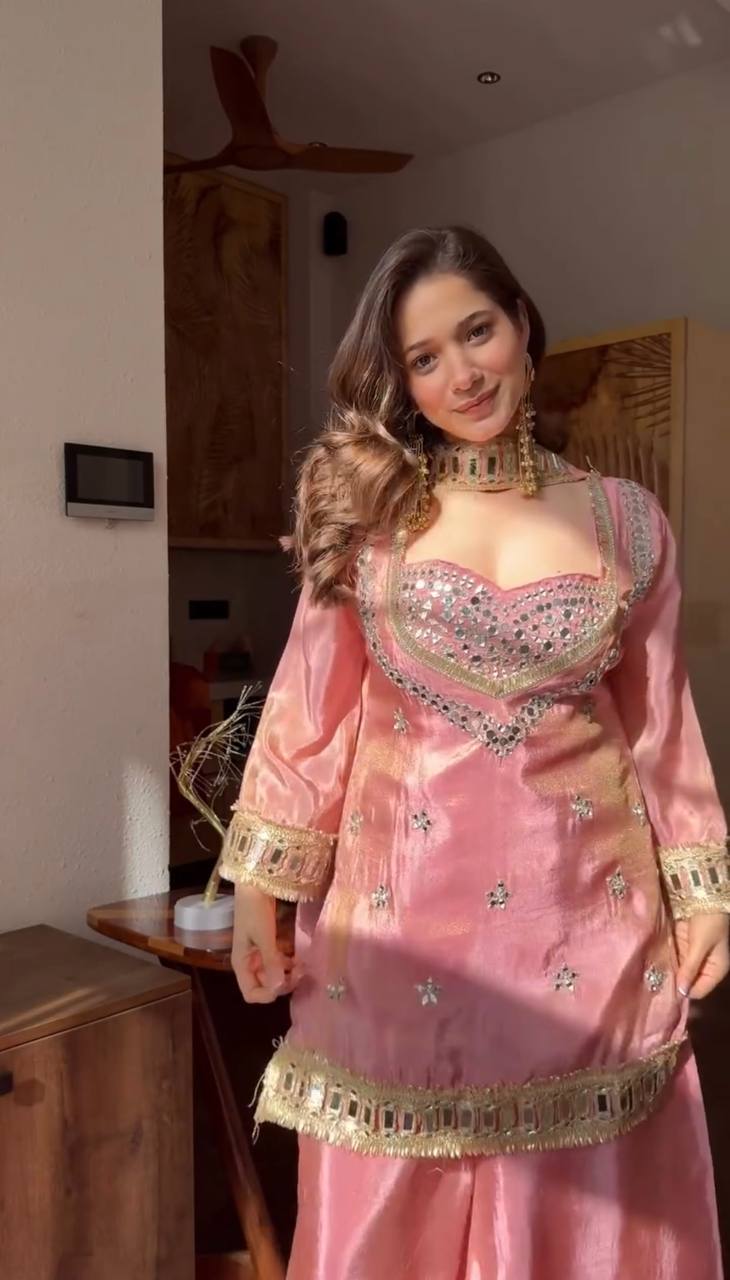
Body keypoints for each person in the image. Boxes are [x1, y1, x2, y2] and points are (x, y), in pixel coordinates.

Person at [220, 226, 730, 1279]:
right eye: (425, 357)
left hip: (588, 942)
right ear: (402, 381)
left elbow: (658, 723)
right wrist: (258, 890)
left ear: (521, 323)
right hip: (398, 943)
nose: (462, 372)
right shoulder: (369, 521)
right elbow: (311, 714)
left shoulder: (626, 522)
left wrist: (703, 890)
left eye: (477, 331)